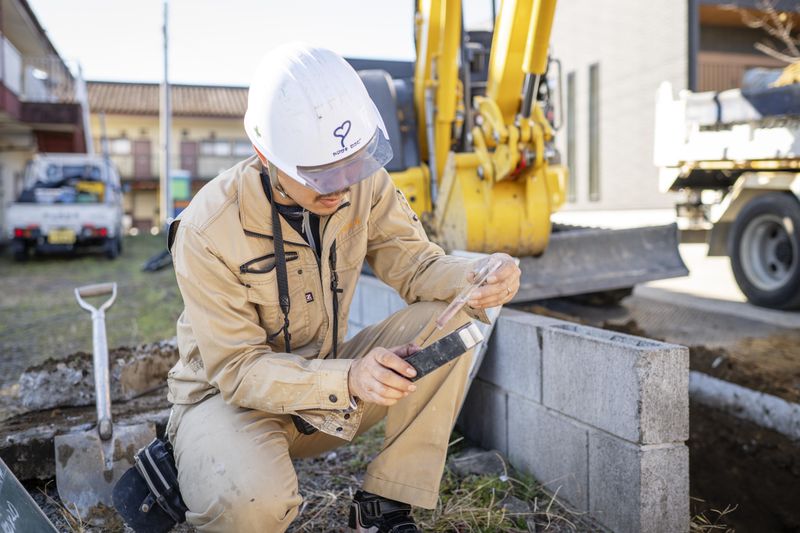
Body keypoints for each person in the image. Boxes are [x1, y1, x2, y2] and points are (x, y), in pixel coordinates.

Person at [164, 42, 520, 533]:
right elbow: (238, 370)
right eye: (321, 173)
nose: (342, 186)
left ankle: (382, 505)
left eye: (354, 163)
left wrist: (476, 276)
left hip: (327, 392)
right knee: (251, 504)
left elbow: (415, 265)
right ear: (265, 155)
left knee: (457, 319)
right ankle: (202, 459)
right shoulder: (207, 229)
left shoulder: (361, 182)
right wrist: (348, 379)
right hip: (230, 403)